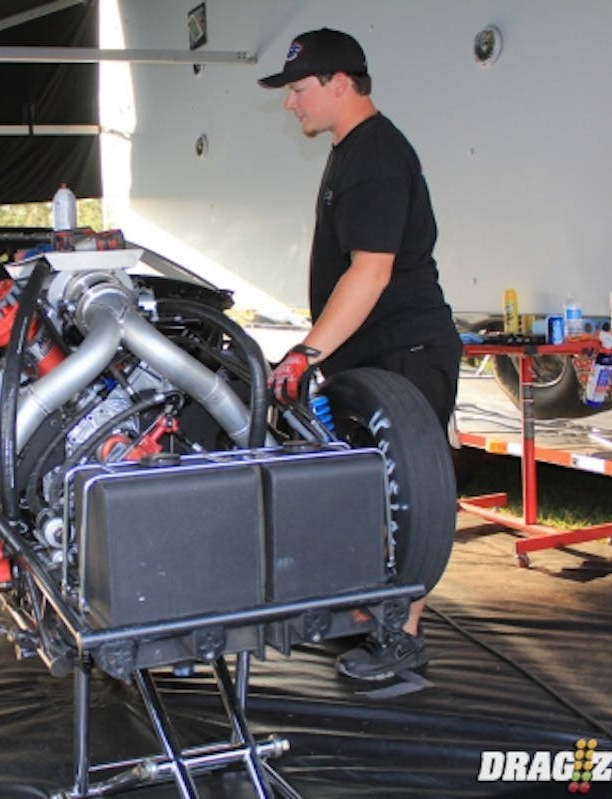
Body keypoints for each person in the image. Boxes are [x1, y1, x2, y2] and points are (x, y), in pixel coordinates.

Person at [259, 29, 462, 681]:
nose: (292, 104)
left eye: (298, 89)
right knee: (370, 494)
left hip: (405, 350)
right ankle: (375, 618)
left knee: (408, 499)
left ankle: (402, 640)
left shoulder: (373, 155)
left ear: (339, 82)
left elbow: (371, 273)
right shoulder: (352, 152)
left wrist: (304, 352)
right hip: (374, 357)